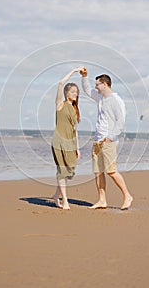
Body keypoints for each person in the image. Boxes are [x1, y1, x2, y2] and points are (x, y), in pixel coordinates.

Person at [80, 67, 133, 210]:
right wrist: (84, 77)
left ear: (105, 84)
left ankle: (127, 196)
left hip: (108, 141)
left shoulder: (116, 100)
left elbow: (120, 122)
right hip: (97, 139)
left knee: (111, 171)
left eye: (97, 84)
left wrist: (110, 137)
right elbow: (87, 90)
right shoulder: (100, 98)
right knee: (98, 172)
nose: (95, 87)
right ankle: (102, 200)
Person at [51, 68, 82, 210]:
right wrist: (75, 70)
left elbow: (75, 130)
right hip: (59, 142)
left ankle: (56, 196)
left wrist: (77, 148)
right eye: (72, 91)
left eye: (76, 92)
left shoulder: (75, 109)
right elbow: (60, 83)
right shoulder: (60, 104)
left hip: (71, 143)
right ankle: (65, 201)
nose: (75, 94)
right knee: (62, 171)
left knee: (69, 171)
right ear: (66, 93)